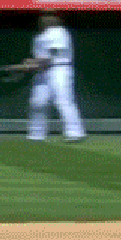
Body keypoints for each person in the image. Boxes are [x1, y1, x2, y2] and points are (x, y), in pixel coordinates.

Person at [23, 11, 86, 142]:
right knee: (38, 102)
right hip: (43, 71)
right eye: (44, 16)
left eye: (49, 16)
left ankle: (75, 132)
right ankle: (36, 134)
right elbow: (41, 60)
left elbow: (52, 55)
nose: (46, 19)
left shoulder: (59, 32)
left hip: (60, 69)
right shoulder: (41, 36)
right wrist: (29, 65)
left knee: (63, 100)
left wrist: (28, 65)